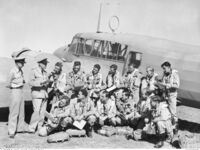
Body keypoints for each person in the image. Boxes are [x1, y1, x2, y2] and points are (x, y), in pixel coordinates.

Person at [7, 56, 27, 138]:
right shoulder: (13, 71)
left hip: (21, 91)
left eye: (23, 63)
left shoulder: (20, 71)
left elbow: (21, 80)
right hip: (15, 91)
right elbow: (7, 83)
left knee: (21, 111)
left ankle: (19, 128)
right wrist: (16, 84)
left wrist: (22, 82)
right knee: (14, 111)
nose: (23, 64)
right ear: (17, 62)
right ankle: (11, 131)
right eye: (21, 62)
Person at [28, 56, 50, 133]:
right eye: (44, 63)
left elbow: (47, 83)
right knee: (36, 111)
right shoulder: (33, 71)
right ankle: (32, 128)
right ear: (40, 63)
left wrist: (47, 83)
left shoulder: (45, 72)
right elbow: (30, 82)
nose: (46, 65)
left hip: (44, 94)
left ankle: (40, 127)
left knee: (42, 112)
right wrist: (40, 83)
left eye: (46, 63)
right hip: (37, 94)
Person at [158, 61, 180, 126]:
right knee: (165, 110)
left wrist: (167, 85)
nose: (164, 70)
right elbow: (163, 81)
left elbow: (177, 86)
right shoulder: (165, 74)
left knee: (173, 112)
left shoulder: (174, 74)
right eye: (163, 69)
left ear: (169, 67)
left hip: (172, 95)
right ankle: (168, 126)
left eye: (164, 68)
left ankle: (175, 127)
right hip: (166, 94)